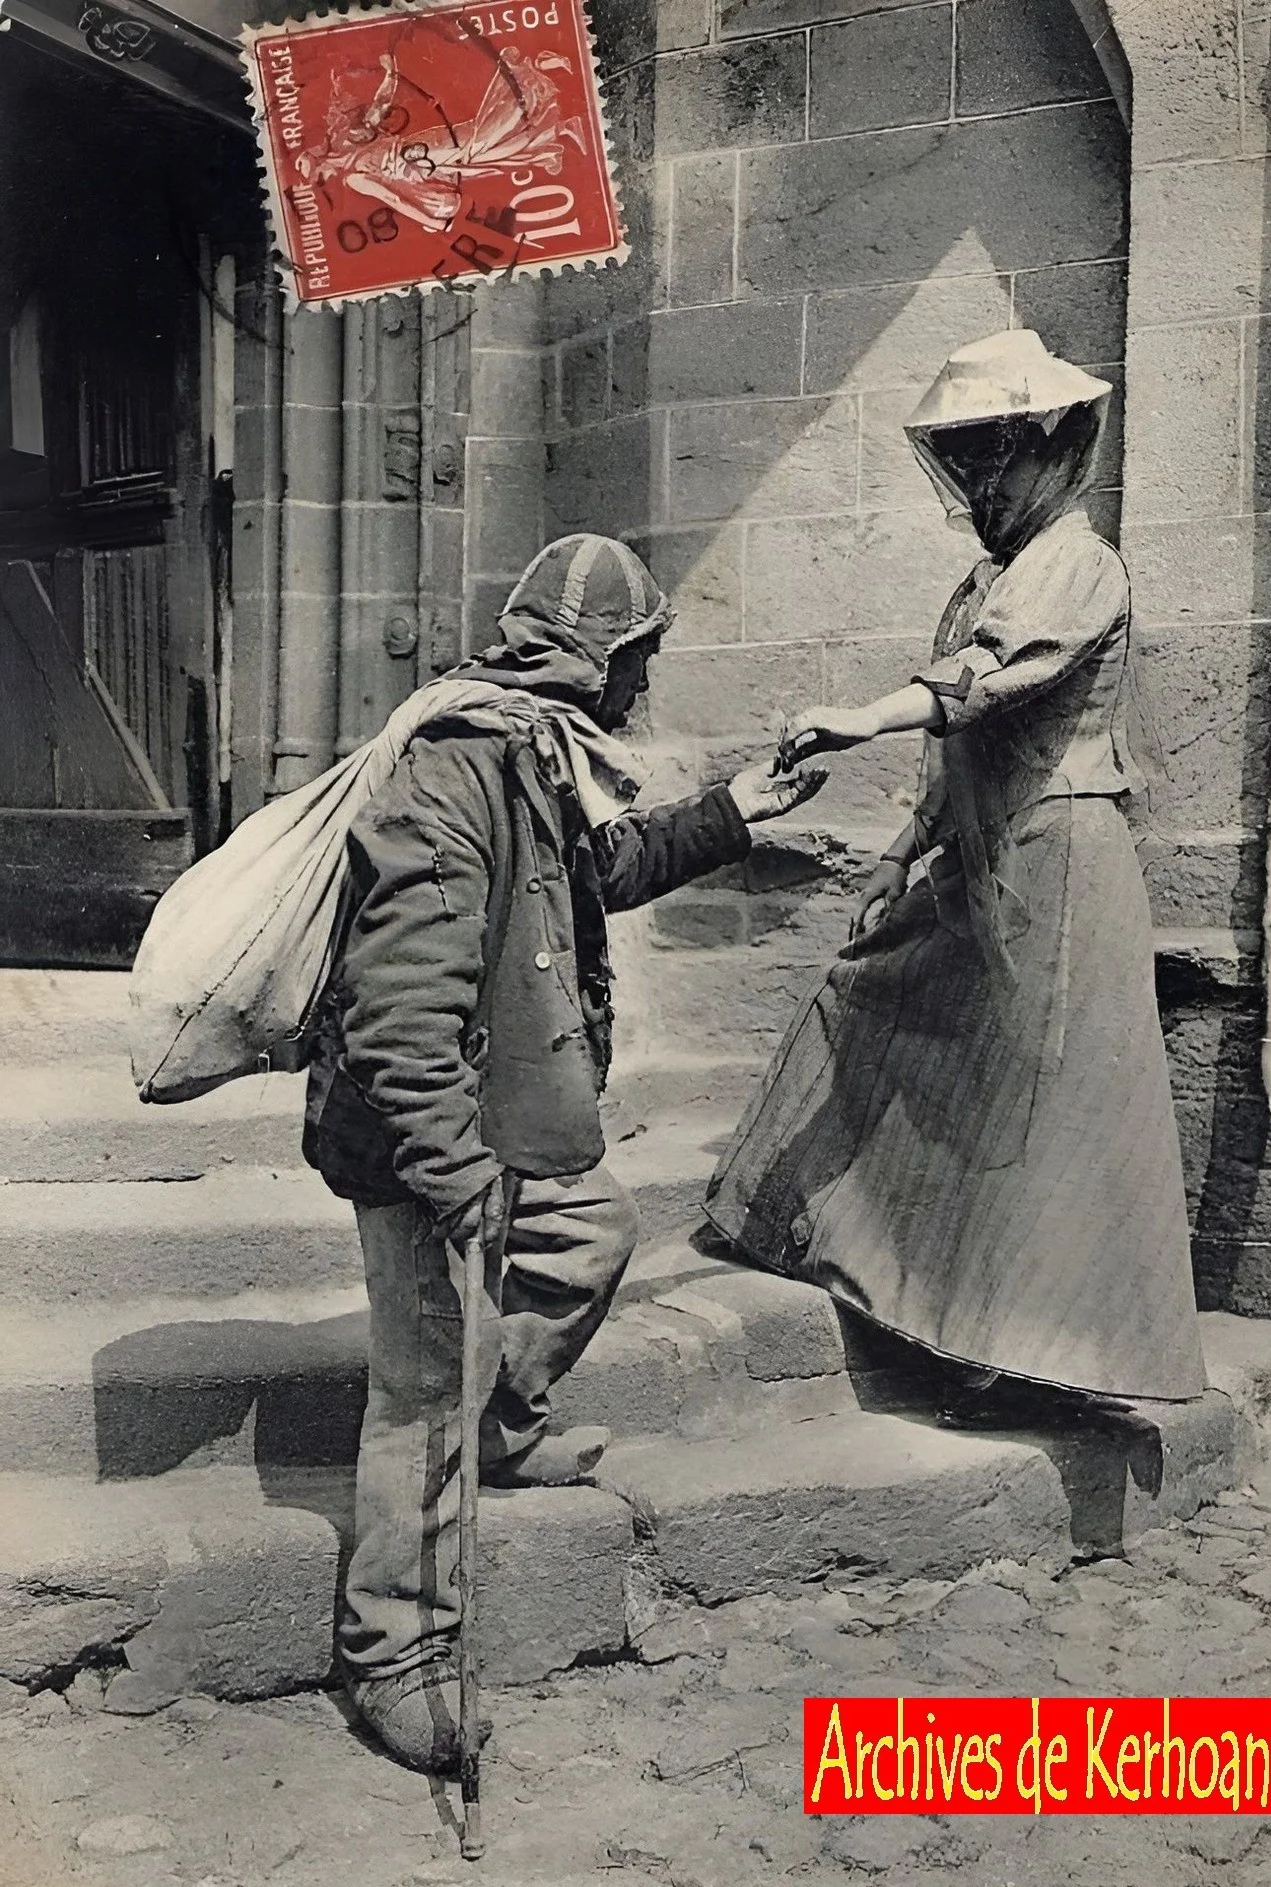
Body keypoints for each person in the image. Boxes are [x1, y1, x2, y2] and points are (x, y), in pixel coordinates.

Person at [303, 532, 824, 1774]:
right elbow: (396, 1007)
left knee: (591, 1234)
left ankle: (499, 1427)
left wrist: (732, 814)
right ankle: (394, 1650)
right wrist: (450, 1171)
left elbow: (599, 867)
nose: (645, 682)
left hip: (512, 1112)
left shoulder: (538, 749)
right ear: (599, 654)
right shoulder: (452, 767)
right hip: (424, 1134)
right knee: (426, 1381)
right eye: (639, 655)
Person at [705, 329, 1205, 1424]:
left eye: (993, 457)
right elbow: (957, 757)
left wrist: (854, 715)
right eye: (964, 459)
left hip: (1060, 861)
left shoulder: (1076, 562)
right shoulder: (994, 573)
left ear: (1046, 449)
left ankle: (1035, 1358)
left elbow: (977, 686)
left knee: (1040, 1107)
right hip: (984, 853)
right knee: (870, 996)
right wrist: (893, 858)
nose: (978, 483)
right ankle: (877, 1271)